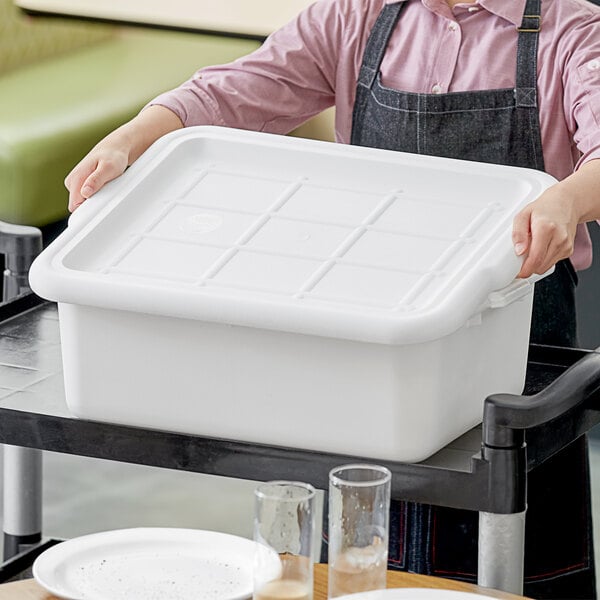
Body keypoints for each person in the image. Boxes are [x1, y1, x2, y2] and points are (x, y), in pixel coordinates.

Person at [65, 0, 600, 597]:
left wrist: (568, 199)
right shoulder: (357, 16)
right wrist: (134, 137)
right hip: (370, 331)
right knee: (364, 552)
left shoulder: (570, 29)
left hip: (517, 334)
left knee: (511, 548)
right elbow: (237, 90)